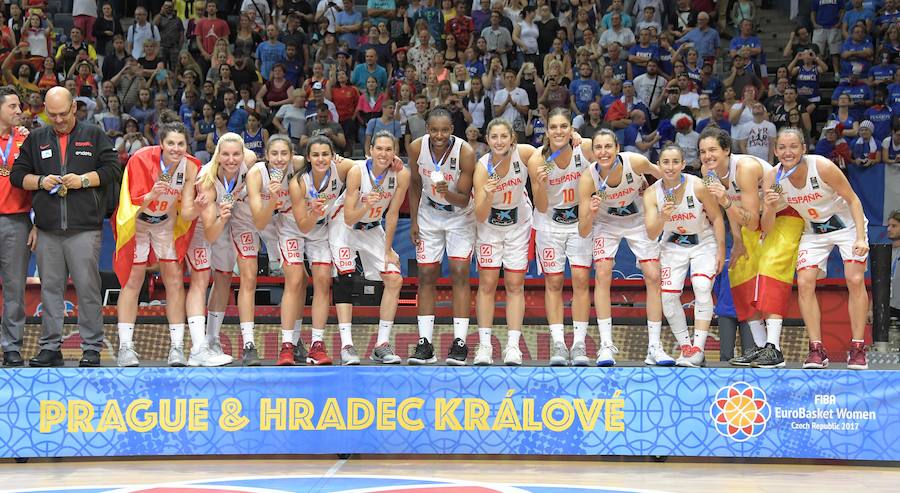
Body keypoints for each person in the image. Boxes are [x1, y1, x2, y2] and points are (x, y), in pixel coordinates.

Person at [10, 86, 120, 367]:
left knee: (88, 290)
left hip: (85, 228)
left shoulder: (93, 134)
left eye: (63, 114)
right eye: (52, 115)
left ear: (74, 108)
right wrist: (40, 181)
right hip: (47, 230)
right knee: (50, 291)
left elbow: (113, 169)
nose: (58, 120)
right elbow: (17, 175)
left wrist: (83, 180)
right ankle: (50, 347)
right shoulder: (36, 138)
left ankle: (92, 348)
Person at [763, 128, 870, 370]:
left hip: (847, 226)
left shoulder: (822, 166)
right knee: (804, 282)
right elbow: (766, 226)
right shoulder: (773, 178)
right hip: (814, 231)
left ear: (803, 148)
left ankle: (857, 347)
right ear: (775, 151)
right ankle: (816, 349)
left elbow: (853, 200)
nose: (788, 152)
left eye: (793, 146)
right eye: (782, 147)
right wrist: (768, 207)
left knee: (854, 279)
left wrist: (861, 238)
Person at [699, 127, 805, 368]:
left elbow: (751, 219)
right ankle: (759, 347)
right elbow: (732, 211)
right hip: (751, 217)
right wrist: (737, 241)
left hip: (785, 213)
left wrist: (726, 200)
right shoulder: (707, 172)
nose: (707, 156)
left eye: (713, 150)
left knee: (769, 268)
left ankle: (774, 348)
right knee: (739, 272)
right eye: (703, 151)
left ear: (727, 150)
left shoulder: (744, 169)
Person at [111, 122, 214, 367]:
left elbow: (186, 213)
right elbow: (132, 205)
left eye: (181, 144)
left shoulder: (191, 166)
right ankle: (125, 347)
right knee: (133, 280)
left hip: (165, 224)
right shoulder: (140, 159)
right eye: (171, 143)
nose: (176, 149)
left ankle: (177, 348)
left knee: (175, 280)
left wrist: (197, 207)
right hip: (137, 222)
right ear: (161, 144)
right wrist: (151, 195)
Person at [577, 129, 669, 366]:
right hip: (606, 223)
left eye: (608, 146)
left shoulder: (635, 162)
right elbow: (583, 230)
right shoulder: (588, 178)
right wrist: (591, 212)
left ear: (617, 148)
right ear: (593, 152)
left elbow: (664, 177)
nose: (603, 152)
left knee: (653, 275)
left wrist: (654, 195)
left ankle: (654, 347)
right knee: (603, 273)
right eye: (598, 148)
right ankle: (606, 345)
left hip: (638, 219)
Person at [330, 130, 409, 364]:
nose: (383, 154)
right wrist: (366, 205)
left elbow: (392, 214)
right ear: (370, 150)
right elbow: (348, 217)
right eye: (379, 149)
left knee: (394, 279)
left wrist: (388, 249)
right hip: (344, 227)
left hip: (373, 227)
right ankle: (347, 346)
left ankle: (381, 345)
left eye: (389, 149)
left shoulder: (401, 175)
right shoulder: (357, 171)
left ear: (395, 152)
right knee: (345, 277)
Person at [643, 144, 725, 367]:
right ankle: (686, 347)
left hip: (703, 242)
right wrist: (663, 216)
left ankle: (698, 348)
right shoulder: (651, 193)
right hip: (672, 244)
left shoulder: (697, 185)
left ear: (683, 164)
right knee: (668, 297)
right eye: (665, 162)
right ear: (658, 165)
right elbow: (651, 233)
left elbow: (717, 218)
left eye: (675, 162)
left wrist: (721, 250)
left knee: (701, 286)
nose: (670, 167)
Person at [407, 108, 477, 365]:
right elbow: (415, 184)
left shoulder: (465, 152)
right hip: (428, 213)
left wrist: (446, 193)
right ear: (427, 129)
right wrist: (414, 220)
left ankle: (460, 342)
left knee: (459, 272)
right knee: (426, 274)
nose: (439, 135)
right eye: (434, 130)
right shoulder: (416, 147)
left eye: (444, 130)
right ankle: (425, 343)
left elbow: (464, 200)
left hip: (459, 216)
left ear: (452, 130)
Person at [526, 108, 593, 365]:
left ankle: (579, 344)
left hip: (579, 222)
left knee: (580, 280)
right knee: (553, 282)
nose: (558, 131)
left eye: (564, 126)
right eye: (553, 127)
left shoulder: (584, 148)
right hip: (549, 224)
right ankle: (558, 343)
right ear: (546, 130)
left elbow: (608, 160)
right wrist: (541, 184)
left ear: (571, 129)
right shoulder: (537, 160)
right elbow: (541, 206)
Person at [472, 118, 540, 365]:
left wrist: (576, 139)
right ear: (487, 140)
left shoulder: (525, 153)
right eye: (494, 137)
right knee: (487, 284)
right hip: (489, 227)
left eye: (504, 136)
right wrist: (488, 195)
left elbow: (553, 157)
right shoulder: (482, 168)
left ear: (512, 138)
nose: (499, 141)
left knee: (515, 284)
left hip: (519, 226)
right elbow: (480, 215)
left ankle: (513, 346)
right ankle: (485, 346)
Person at [193, 133, 263, 366]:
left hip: (238, 215)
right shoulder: (206, 179)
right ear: (217, 155)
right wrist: (222, 217)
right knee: (219, 276)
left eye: (236, 154)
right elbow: (210, 234)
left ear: (243, 154)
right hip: (210, 222)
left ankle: (231, 341)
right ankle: (210, 339)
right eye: (225, 154)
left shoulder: (249, 160)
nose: (231, 160)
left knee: (240, 275)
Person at [245, 135, 310, 366]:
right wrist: (272, 198)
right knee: (294, 277)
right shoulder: (256, 174)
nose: (279, 159)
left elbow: (334, 162)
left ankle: (296, 339)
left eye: (284, 153)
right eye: (274, 154)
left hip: (293, 219)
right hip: (266, 221)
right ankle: (287, 344)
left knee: (302, 279)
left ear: (292, 155)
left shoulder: (300, 163)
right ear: (266, 155)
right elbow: (260, 222)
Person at [0, 87, 33, 367]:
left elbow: (40, 182)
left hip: (17, 221)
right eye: (12, 106)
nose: (18, 111)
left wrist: (37, 223)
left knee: (14, 289)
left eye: (18, 106)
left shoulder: (27, 140)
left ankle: (11, 347)